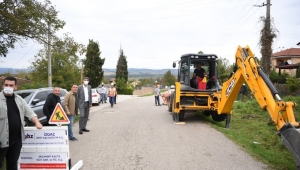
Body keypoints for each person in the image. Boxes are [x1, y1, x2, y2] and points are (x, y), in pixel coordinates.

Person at [0, 76, 43, 170]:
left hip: (16, 140)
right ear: (3, 85)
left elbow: (29, 112)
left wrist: (37, 122)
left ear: (16, 87)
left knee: (12, 164)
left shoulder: (19, 99)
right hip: (1, 140)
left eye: (11, 85)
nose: (8, 87)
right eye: (6, 85)